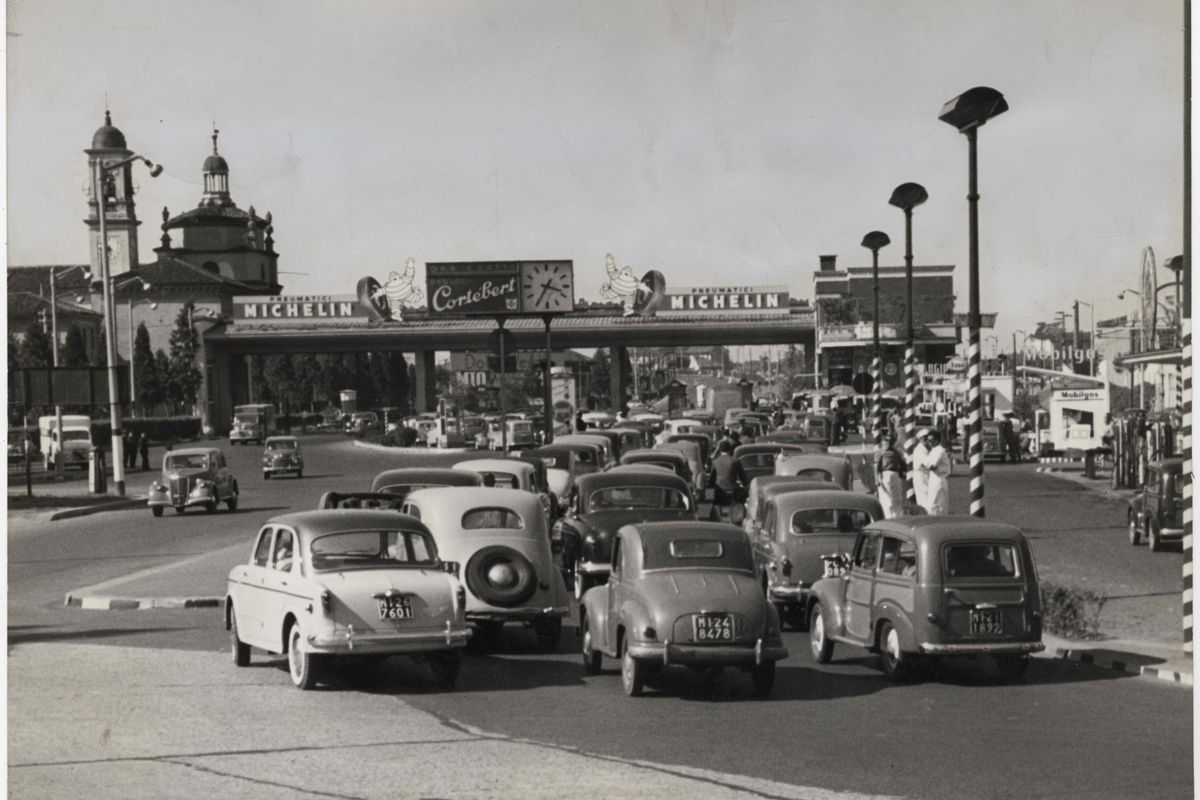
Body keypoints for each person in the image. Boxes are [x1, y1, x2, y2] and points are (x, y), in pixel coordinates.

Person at [707, 440, 747, 522]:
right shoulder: (735, 461)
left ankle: (717, 519)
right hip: (732, 489)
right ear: (730, 449)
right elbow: (742, 476)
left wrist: (710, 487)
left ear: (720, 450)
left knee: (716, 504)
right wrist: (745, 485)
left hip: (719, 490)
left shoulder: (715, 462)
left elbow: (712, 478)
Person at [874, 431, 906, 519]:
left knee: (898, 498)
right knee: (887, 500)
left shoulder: (897, 452)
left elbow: (903, 463)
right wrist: (877, 479)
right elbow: (876, 466)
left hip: (896, 474)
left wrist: (903, 473)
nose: (889, 442)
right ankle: (887, 517)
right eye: (886, 440)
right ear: (882, 442)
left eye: (890, 440)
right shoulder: (880, 452)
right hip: (885, 474)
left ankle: (898, 517)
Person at [920, 430, 952, 515]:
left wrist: (925, 466)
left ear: (937, 441)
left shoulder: (939, 451)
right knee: (936, 504)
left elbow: (932, 466)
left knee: (935, 504)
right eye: (928, 440)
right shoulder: (933, 451)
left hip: (939, 479)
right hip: (934, 478)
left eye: (931, 440)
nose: (929, 442)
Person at [911, 428, 933, 510]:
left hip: (925, 475)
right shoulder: (920, 449)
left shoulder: (926, 449)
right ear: (920, 439)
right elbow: (927, 464)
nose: (926, 440)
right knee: (924, 497)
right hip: (921, 476)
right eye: (924, 438)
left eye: (927, 438)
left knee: (928, 496)